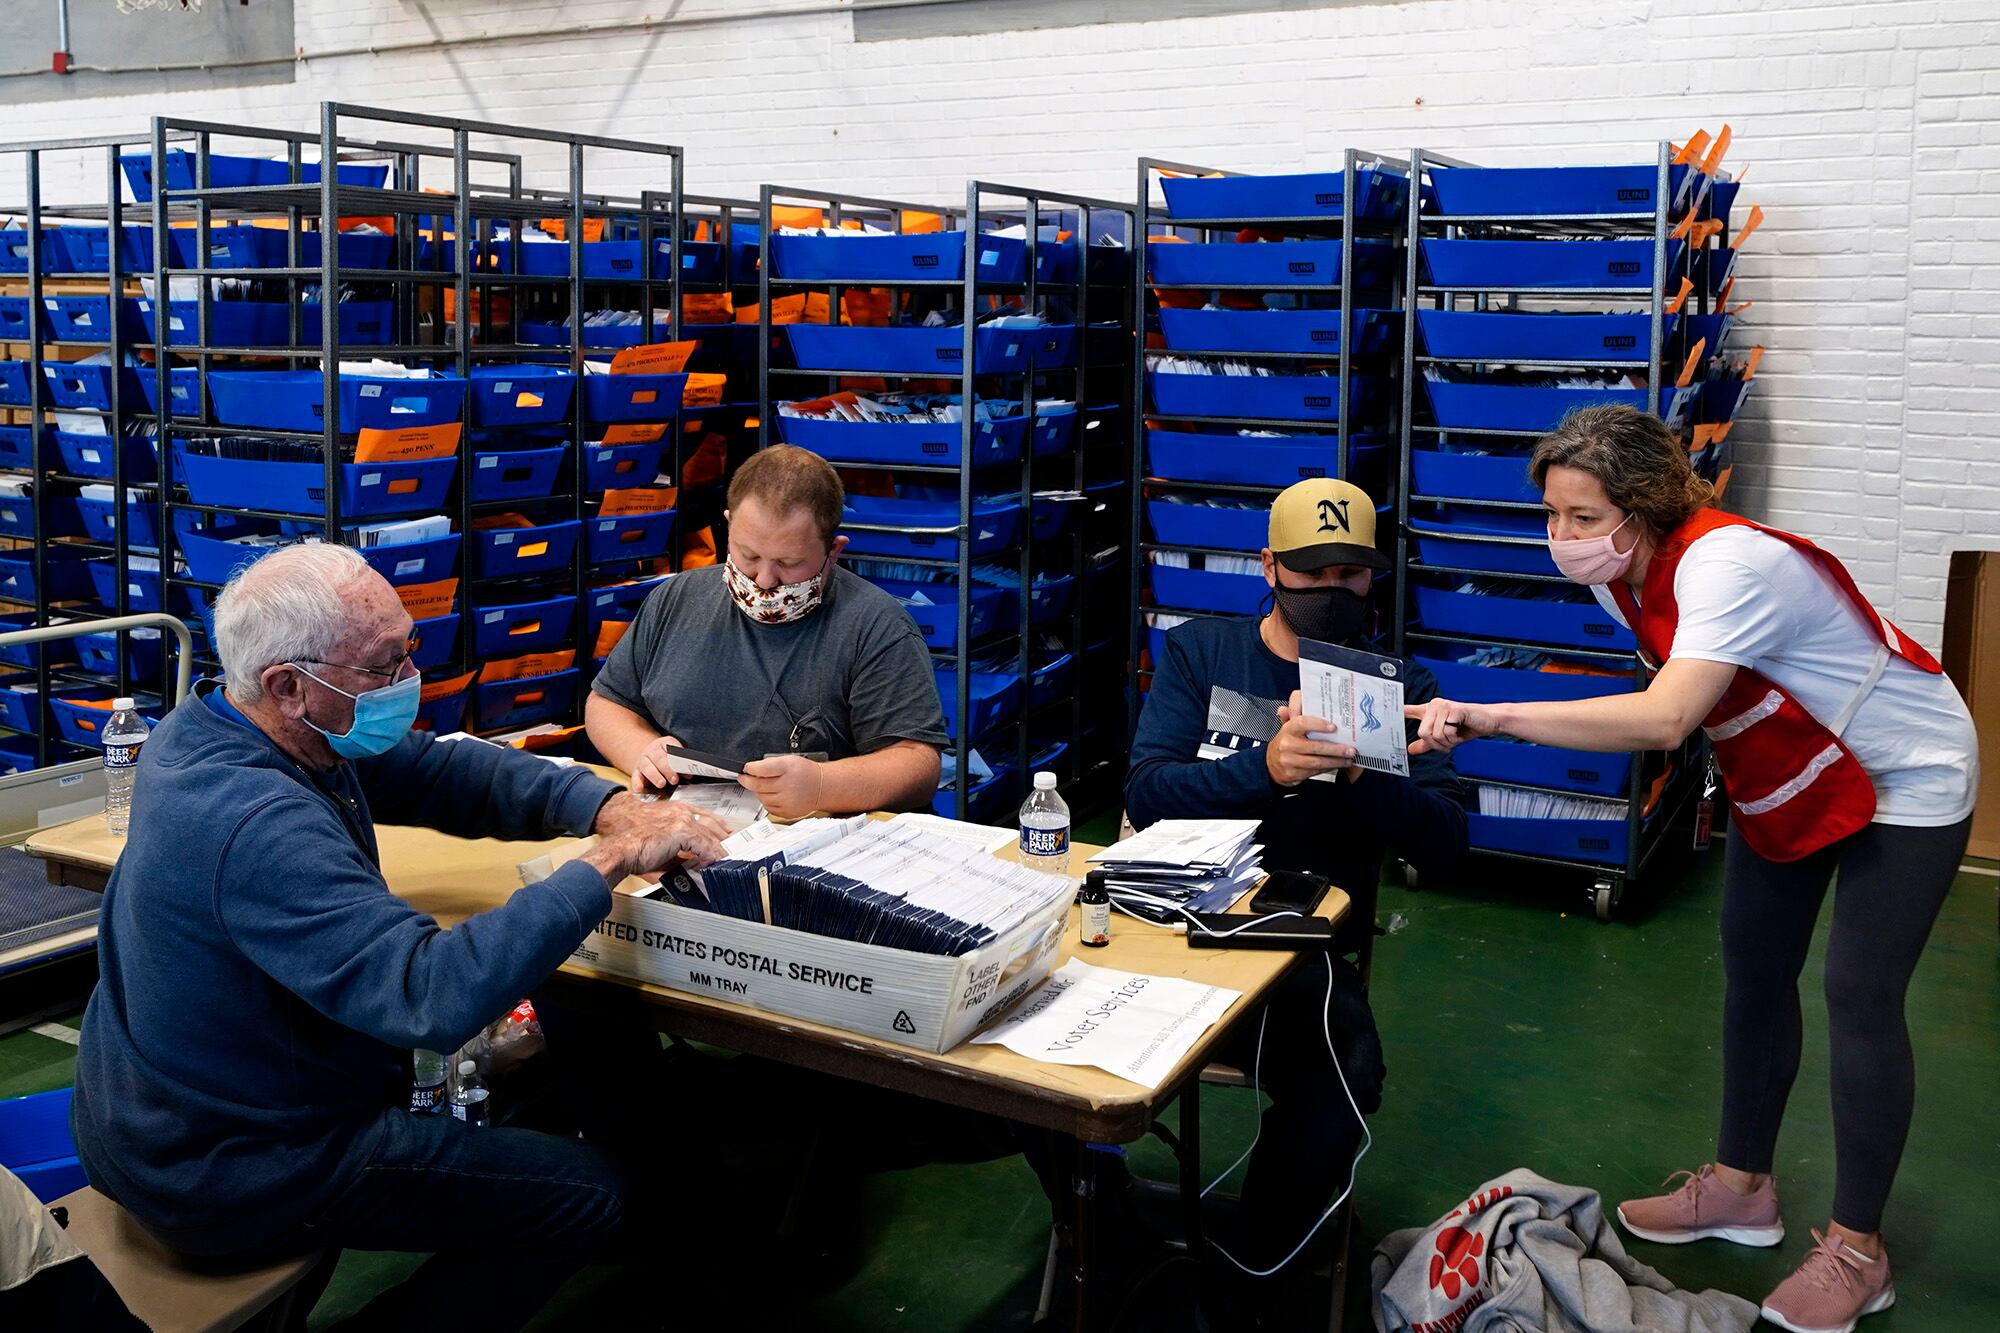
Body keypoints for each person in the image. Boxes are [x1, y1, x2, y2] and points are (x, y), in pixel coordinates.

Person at [1403, 404, 1977, 1333]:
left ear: (1642, 508)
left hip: (1903, 764)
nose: (1563, 538)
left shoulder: (1726, 563)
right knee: (1754, 972)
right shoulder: (1625, 575)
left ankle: (1860, 1251)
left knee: (1859, 993)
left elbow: (1665, 717)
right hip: (1788, 761)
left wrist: (1493, 714)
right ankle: (1745, 1188)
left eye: (1584, 518)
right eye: (1552, 515)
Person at [70, 543, 727, 1332]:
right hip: (231, 1166)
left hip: (163, 1111)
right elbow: (429, 992)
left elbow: (434, 771)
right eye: (385, 666)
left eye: (407, 649)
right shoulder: (251, 818)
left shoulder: (231, 723)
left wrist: (599, 805)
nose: (409, 679)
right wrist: (611, 858)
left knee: (514, 1102)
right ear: (289, 684)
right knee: (587, 1194)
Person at [1123, 477, 1470, 1277]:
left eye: (1350, 574)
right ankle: (1096, 1210)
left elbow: (1449, 838)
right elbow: (1148, 789)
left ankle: (1254, 1263)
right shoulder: (1201, 652)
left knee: (1345, 1072)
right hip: (1170, 927)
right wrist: (1267, 769)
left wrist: (1364, 772)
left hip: (1296, 957)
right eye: (1313, 573)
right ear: (1269, 566)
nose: (1332, 592)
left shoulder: (1402, 688)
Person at [586, 445, 946, 817]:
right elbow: (608, 703)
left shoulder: (875, 625)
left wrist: (823, 785)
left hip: (816, 842)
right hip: (685, 825)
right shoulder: (674, 599)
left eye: (789, 564)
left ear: (833, 552)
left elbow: (918, 765)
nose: (764, 580)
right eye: (749, 555)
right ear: (728, 525)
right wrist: (641, 750)